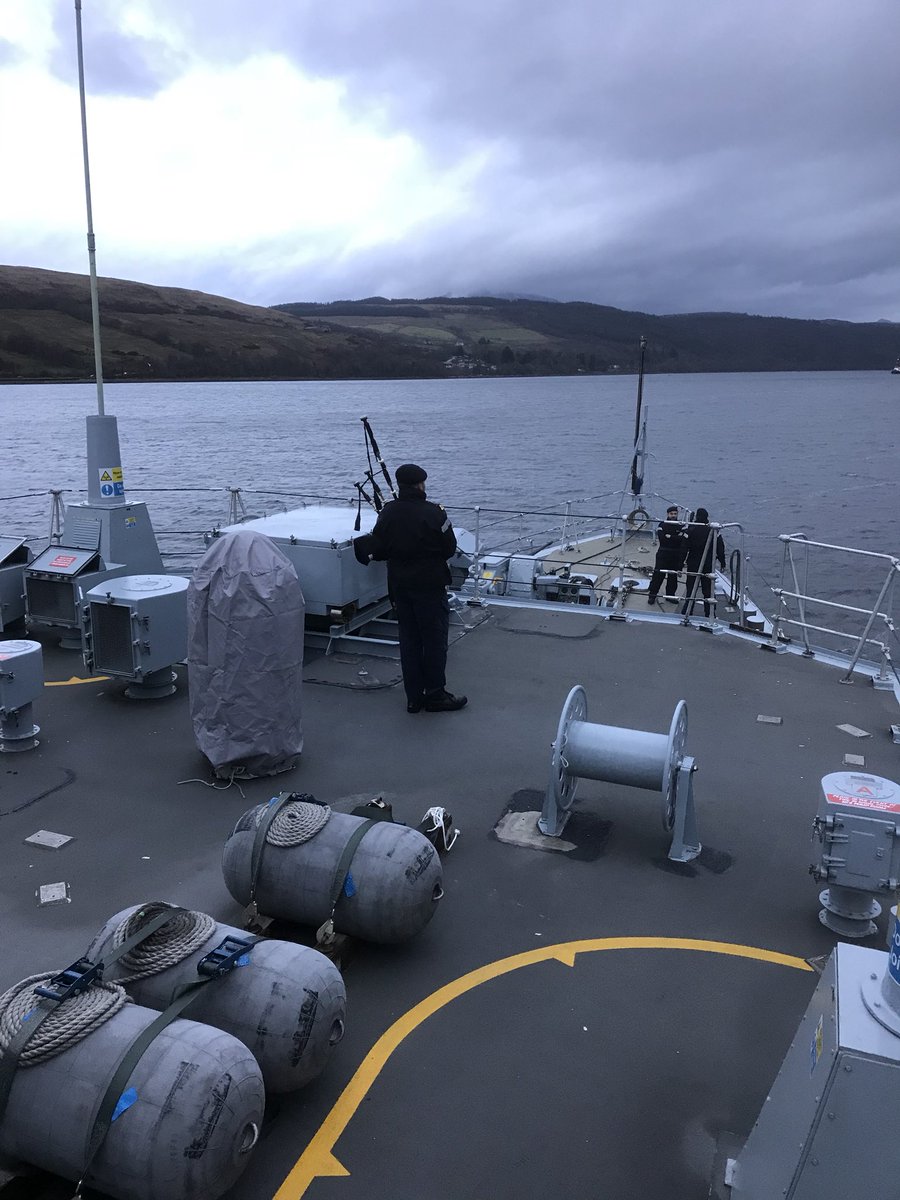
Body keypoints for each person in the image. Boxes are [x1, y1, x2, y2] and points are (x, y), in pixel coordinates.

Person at [356, 463, 467, 714]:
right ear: (421, 484)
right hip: (429, 585)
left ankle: (414, 698)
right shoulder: (435, 513)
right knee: (434, 640)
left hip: (400, 586)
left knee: (409, 640)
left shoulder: (387, 513)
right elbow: (449, 548)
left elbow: (380, 548)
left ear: (400, 485)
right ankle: (436, 694)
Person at [681, 507, 726, 618]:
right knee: (708, 590)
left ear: (696, 516)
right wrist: (722, 562)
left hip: (693, 562)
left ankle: (687, 611)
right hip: (708, 563)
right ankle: (710, 613)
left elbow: (684, 548)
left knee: (691, 588)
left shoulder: (691, 529)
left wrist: (680, 563)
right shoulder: (714, 530)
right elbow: (720, 548)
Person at [647, 505, 687, 605]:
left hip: (675, 554)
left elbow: (682, 540)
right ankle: (652, 595)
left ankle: (670, 595)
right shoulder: (662, 525)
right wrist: (675, 537)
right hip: (663, 553)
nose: (673, 515)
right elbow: (662, 539)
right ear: (667, 514)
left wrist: (669, 536)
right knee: (658, 575)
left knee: (672, 577)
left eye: (675, 514)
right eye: (671, 514)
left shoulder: (681, 526)